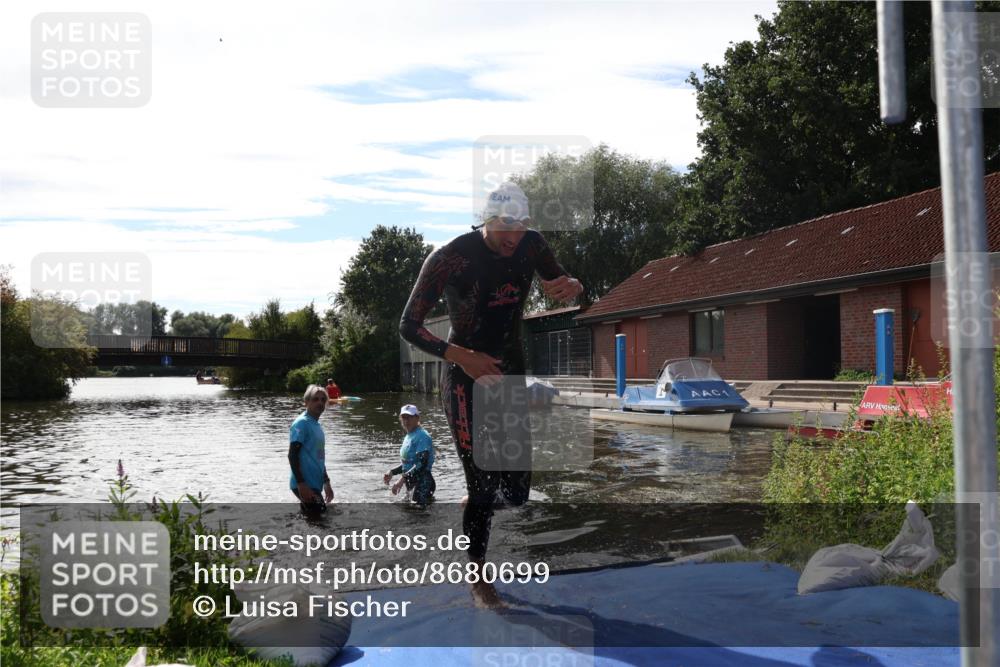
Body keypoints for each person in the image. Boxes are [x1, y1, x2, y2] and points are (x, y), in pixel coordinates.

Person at [399, 182, 583, 607]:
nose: (513, 237)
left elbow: (560, 279)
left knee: (518, 492)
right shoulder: (450, 257)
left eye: (522, 227)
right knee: (482, 486)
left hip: (510, 374)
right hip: (465, 379)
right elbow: (409, 325)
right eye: (506, 227)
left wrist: (571, 283)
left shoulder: (532, 246)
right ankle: (477, 573)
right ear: (487, 219)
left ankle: (473, 502)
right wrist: (459, 356)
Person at [288, 384, 334, 513]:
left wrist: (326, 483)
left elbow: (319, 458)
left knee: (312, 519)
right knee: (320, 519)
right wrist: (301, 484)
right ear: (306, 402)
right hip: (304, 483)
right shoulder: (302, 423)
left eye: (323, 400)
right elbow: (292, 455)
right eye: (315, 399)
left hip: (314, 483)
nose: (320, 402)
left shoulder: (317, 426)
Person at [383, 404, 436, 507]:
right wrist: (392, 472)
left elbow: (422, 463)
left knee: (417, 518)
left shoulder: (422, 436)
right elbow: (408, 463)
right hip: (412, 483)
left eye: (410, 417)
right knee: (408, 514)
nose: (406, 421)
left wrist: (401, 480)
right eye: (404, 418)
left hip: (423, 483)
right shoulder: (409, 436)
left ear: (417, 418)